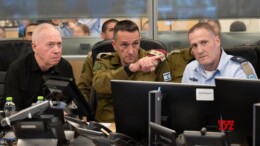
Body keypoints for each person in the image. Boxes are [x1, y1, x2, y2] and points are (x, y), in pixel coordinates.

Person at [92, 20, 164, 122]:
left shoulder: (154, 61)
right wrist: (130, 68)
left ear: (140, 41)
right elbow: (99, 86)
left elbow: (167, 94)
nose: (131, 51)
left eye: (135, 44)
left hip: (144, 123)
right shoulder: (104, 61)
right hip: (110, 124)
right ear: (114, 44)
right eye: (124, 45)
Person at [2, 23, 74, 111]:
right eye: (50, 44)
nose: (57, 50)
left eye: (59, 44)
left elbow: (71, 103)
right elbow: (13, 110)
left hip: (55, 121)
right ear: (34, 47)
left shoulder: (64, 67)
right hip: (25, 122)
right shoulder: (17, 69)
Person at [182, 22, 257, 84]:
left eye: (204, 42)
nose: (199, 51)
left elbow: (251, 100)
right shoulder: (190, 68)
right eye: (194, 45)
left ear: (217, 41)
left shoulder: (240, 68)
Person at [77, 19, 118, 102]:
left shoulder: (128, 54)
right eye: (111, 30)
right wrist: (84, 111)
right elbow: (84, 87)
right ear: (103, 35)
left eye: (118, 30)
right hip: (101, 103)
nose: (115, 33)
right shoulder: (93, 55)